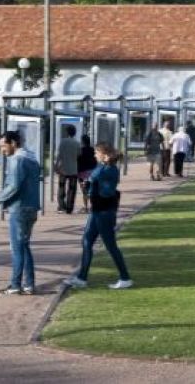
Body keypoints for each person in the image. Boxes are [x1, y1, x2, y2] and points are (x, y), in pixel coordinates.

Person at [64, 144, 133, 289]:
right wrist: (89, 185)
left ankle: (125, 277)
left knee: (110, 245)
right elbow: (94, 180)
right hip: (97, 210)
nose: (95, 155)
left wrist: (91, 184)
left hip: (104, 212)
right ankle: (82, 278)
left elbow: (102, 185)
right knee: (87, 241)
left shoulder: (110, 170)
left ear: (105, 155)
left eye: (97, 152)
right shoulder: (103, 167)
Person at [0, 131, 41, 295]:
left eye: (3, 145)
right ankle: (29, 284)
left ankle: (15, 285)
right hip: (32, 208)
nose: (2, 149)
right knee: (24, 246)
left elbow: (14, 185)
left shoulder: (17, 160)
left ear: (13, 143)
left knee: (17, 248)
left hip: (19, 209)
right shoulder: (32, 159)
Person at [55, 124, 80, 214]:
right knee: (72, 189)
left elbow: (59, 154)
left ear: (67, 132)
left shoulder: (63, 142)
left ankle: (62, 206)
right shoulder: (77, 143)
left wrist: (56, 165)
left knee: (61, 187)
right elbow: (78, 155)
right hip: (73, 168)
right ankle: (70, 208)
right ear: (75, 133)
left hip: (63, 168)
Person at [77, 135, 97, 213]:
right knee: (91, 189)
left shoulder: (80, 150)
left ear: (82, 142)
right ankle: (92, 206)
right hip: (92, 172)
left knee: (84, 190)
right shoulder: (93, 150)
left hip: (82, 173)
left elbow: (78, 161)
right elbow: (95, 160)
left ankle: (86, 207)